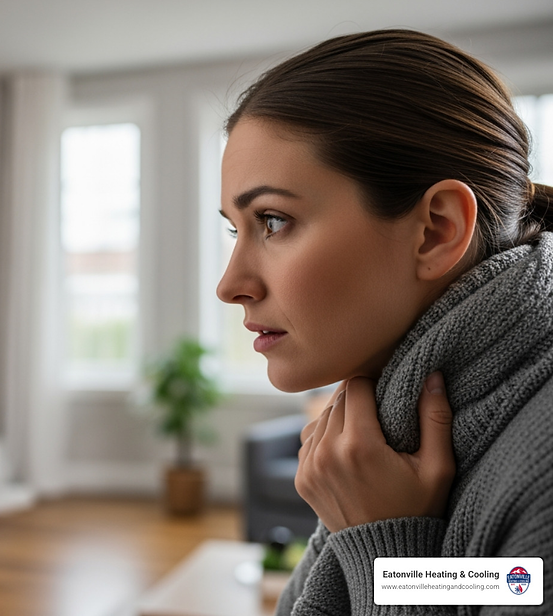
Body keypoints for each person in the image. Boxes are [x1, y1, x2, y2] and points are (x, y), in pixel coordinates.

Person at [217, 29, 553, 615]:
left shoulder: (541, 467)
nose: (229, 285)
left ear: (436, 230)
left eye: (272, 221)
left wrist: (385, 551)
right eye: (234, 228)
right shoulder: (386, 428)